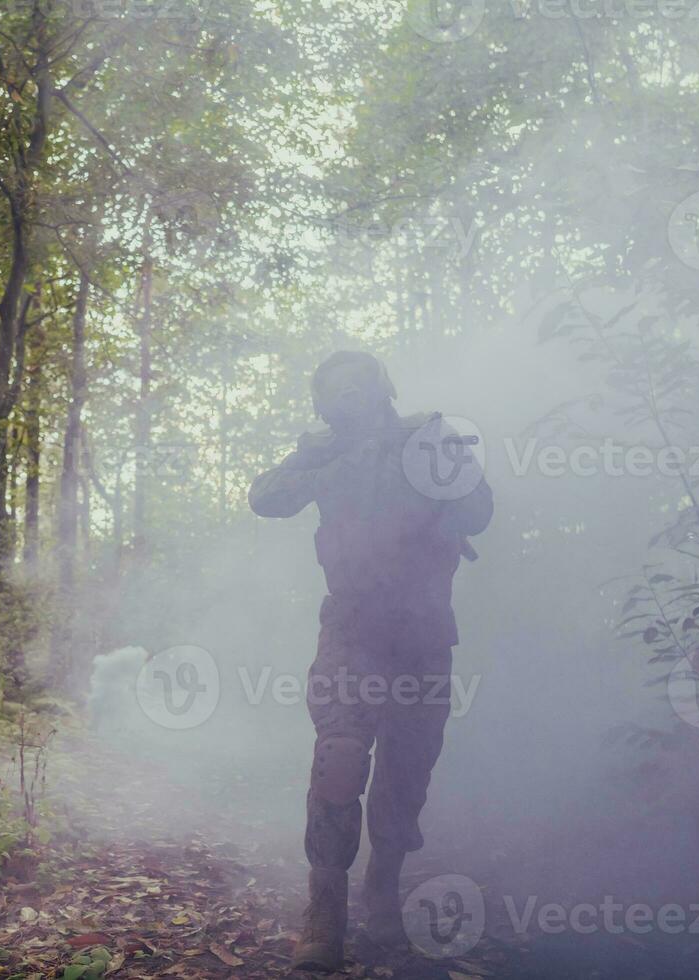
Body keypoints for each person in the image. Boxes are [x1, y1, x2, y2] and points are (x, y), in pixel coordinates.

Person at [250, 351, 494, 972]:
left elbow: (480, 512)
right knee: (338, 757)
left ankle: (383, 889)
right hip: (352, 629)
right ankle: (324, 908)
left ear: (381, 388)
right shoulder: (323, 451)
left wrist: (444, 487)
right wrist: (320, 462)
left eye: (356, 386)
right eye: (333, 392)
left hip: (422, 634)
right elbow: (265, 498)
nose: (346, 399)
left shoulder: (427, 438)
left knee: (407, 773)